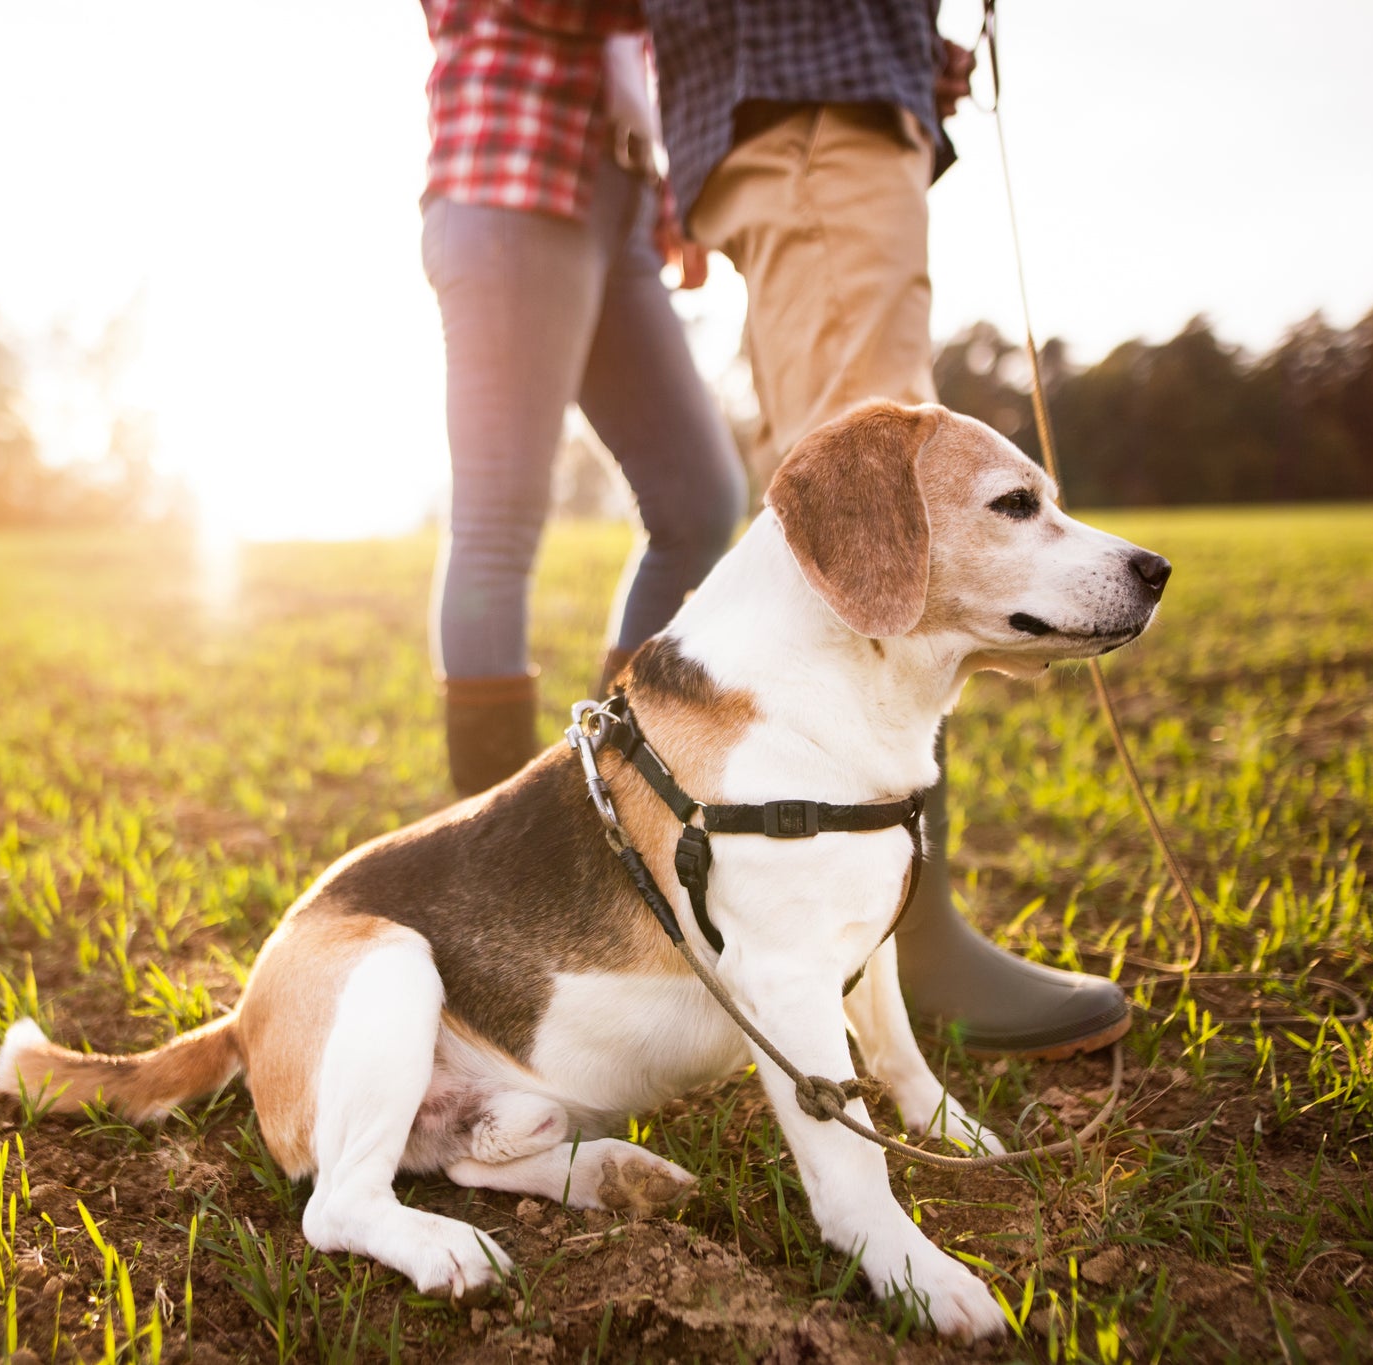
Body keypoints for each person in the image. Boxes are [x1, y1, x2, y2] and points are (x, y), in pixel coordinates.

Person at [643, 0, 1133, 1060]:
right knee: (874, 488)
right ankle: (907, 943)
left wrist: (911, 44)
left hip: (824, 93)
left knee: (858, 479)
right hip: (812, 88)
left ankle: (812, 905)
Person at [417, 0, 746, 796]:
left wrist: (672, 195)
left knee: (700, 498)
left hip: (620, 198)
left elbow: (636, 57)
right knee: (500, 515)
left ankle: (604, 790)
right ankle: (489, 840)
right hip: (510, 177)